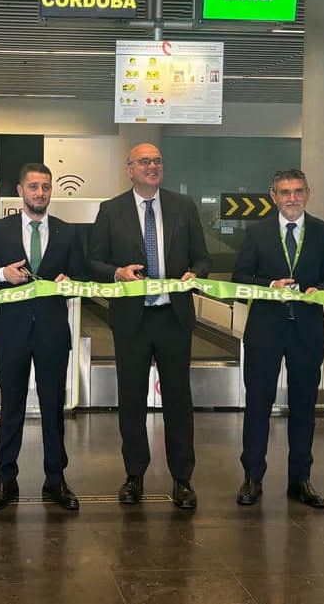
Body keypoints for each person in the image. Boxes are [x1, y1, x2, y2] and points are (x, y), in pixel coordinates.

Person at [87, 143, 211, 509]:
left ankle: (182, 480)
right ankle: (134, 475)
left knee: (178, 401)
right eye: (144, 161)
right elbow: (92, 259)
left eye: (157, 160)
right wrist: (116, 273)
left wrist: (195, 273)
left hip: (173, 318)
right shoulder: (111, 211)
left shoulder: (183, 207)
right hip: (131, 321)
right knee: (131, 401)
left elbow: (202, 257)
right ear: (129, 169)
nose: (152, 166)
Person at [0, 163, 87, 512]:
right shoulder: (0, 229)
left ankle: (56, 480)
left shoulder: (67, 232)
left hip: (52, 333)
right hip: (11, 334)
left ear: (52, 191)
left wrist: (71, 282)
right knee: (11, 409)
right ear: (20, 190)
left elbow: (80, 274)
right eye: (33, 187)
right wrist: (3, 274)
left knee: (53, 408)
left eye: (46, 187)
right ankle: (6, 480)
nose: (40, 193)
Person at [232, 169, 324, 509]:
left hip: (306, 333)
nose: (291, 198)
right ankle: (252, 477)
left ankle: (300, 479)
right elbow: (239, 278)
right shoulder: (256, 233)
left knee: (304, 410)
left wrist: (316, 290)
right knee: (258, 407)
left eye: (297, 191)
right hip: (265, 332)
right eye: (284, 192)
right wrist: (268, 287)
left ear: (307, 193)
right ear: (273, 196)